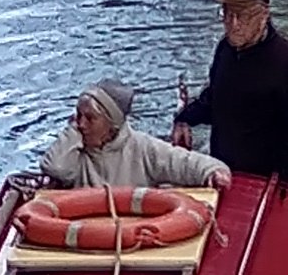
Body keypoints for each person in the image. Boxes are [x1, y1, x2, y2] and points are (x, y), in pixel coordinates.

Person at [181, 0, 288, 189]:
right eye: (227, 14)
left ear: (263, 16)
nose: (234, 24)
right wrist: (185, 118)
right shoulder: (225, 50)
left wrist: (286, 181)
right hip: (224, 174)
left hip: (268, 183)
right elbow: (216, 99)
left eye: (243, 17)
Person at [28, 84, 227, 196]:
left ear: (111, 124)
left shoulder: (142, 148)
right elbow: (55, 168)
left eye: (90, 118)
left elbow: (186, 163)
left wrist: (212, 172)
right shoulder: (75, 152)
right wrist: (73, 130)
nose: (82, 124)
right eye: (78, 116)